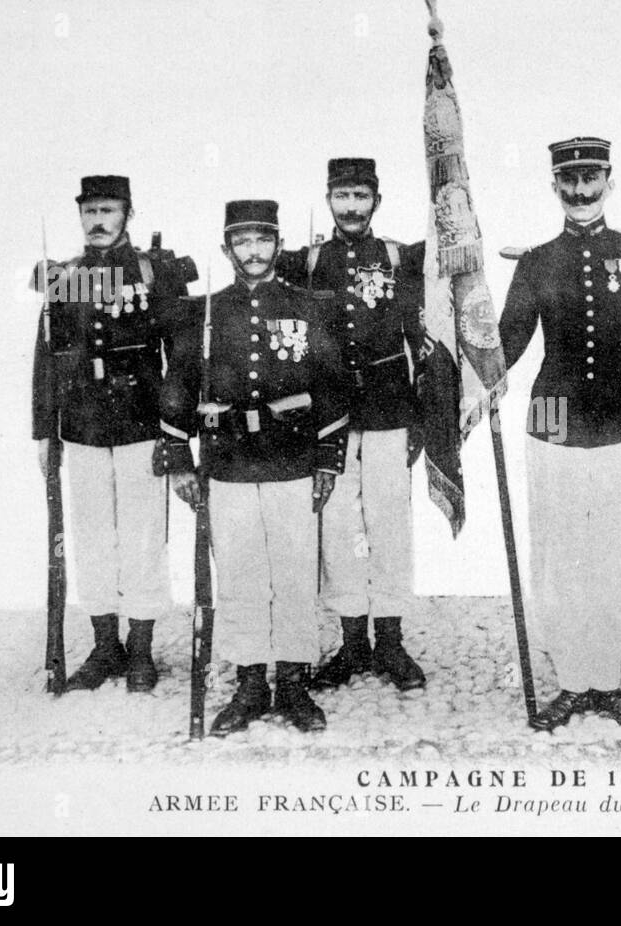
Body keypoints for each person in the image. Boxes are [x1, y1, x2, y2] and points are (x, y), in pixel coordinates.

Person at [499, 136, 621, 731]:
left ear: (610, 179)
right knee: (558, 554)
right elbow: (507, 341)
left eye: (591, 178)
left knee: (613, 552)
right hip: (550, 418)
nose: (580, 191)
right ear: (553, 185)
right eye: (569, 180)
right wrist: (476, 374)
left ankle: (606, 680)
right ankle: (569, 681)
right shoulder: (534, 262)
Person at [156, 200, 350, 735]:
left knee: (293, 571)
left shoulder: (308, 307)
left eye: (263, 240)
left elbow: (332, 384)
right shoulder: (205, 313)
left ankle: (290, 680)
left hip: (292, 462)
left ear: (278, 243)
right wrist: (179, 461)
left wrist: (329, 461)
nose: (254, 252)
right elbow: (178, 387)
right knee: (240, 575)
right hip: (229, 464)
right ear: (227, 249)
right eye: (242, 242)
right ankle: (247, 682)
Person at [32, 175, 189, 693]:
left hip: (142, 423)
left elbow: (180, 358)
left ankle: (141, 650)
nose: (98, 220)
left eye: (109, 210)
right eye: (89, 211)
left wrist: (174, 432)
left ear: (128, 215)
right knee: (92, 538)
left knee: (143, 538)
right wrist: (43, 432)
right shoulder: (66, 277)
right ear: (80, 216)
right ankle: (105, 648)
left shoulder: (153, 272)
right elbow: (45, 357)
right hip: (81, 427)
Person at [275, 158, 427, 692]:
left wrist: (426, 418)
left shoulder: (399, 258)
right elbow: (255, 275)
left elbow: (426, 330)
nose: (352, 207)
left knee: (388, 522)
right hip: (330, 412)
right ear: (329, 200)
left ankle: (390, 640)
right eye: (342, 196)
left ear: (376, 201)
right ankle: (352, 643)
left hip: (389, 406)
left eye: (361, 196)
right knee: (339, 525)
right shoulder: (308, 262)